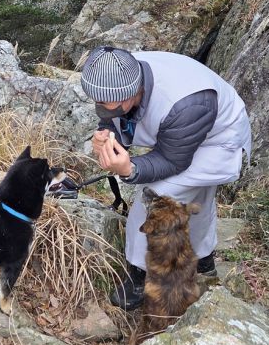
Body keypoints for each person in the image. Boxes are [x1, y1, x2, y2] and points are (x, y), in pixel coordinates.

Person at [80, 46, 252, 310]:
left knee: (155, 198)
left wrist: (129, 169)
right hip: (185, 133)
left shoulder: (186, 103)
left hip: (219, 140)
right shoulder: (121, 70)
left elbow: (172, 160)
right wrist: (106, 133)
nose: (100, 108)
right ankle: (204, 261)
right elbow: (117, 117)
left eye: (105, 105)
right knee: (199, 198)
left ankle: (141, 276)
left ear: (127, 96)